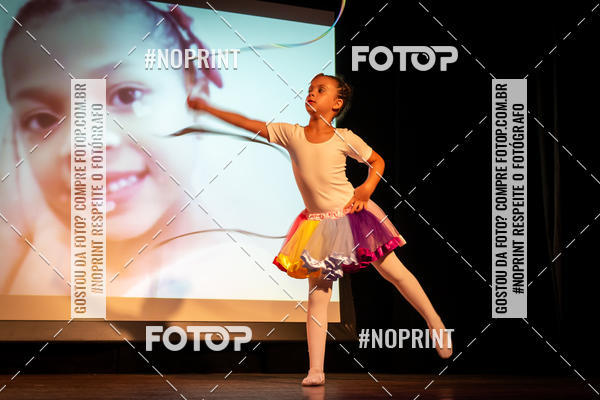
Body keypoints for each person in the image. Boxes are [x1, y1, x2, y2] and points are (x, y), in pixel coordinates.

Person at [187, 72, 453, 386]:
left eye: (321, 90)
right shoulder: (291, 133)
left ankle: (435, 323)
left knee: (393, 271)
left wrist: (366, 189)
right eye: (311, 88)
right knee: (318, 295)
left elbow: (378, 161)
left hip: (354, 215)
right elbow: (248, 122)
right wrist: (208, 108)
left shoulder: (344, 137)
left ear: (336, 104)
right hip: (317, 224)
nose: (312, 93)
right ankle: (316, 370)